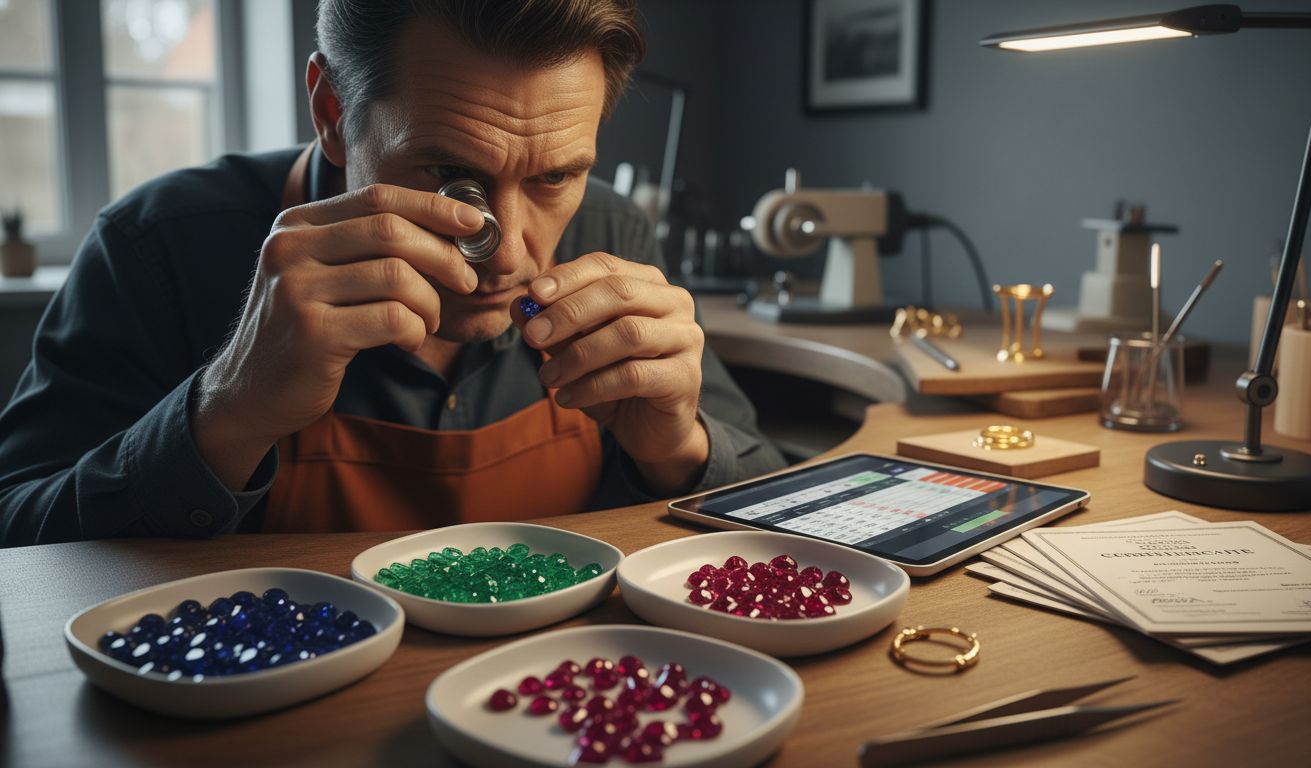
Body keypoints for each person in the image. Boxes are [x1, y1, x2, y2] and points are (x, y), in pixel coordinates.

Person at [0, 0, 784, 546]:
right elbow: (16, 542)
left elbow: (773, 493)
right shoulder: (155, 246)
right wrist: (225, 413)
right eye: (449, 171)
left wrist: (678, 448)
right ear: (334, 112)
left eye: (554, 178)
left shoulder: (614, 231)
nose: (506, 251)